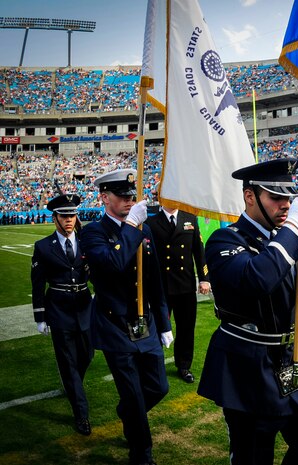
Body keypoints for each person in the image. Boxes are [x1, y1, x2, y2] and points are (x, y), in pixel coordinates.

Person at [197, 158, 298, 465]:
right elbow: (257, 279)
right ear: (250, 196)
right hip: (248, 364)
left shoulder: (284, 238)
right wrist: (295, 227)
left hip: (291, 358)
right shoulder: (225, 239)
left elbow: (297, 305)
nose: (285, 205)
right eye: (275, 197)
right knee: (254, 456)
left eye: (288, 197)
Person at [81, 168, 174, 465]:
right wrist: (131, 225)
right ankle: (142, 454)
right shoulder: (94, 232)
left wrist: (164, 323)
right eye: (122, 196)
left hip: (144, 324)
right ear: (104, 198)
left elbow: (155, 280)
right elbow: (112, 263)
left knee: (159, 386)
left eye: (131, 196)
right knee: (133, 395)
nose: (128, 201)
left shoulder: (142, 230)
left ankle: (127, 414)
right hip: (114, 324)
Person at [31, 193, 94, 436]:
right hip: (58, 309)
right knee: (68, 363)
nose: (69, 219)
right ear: (55, 218)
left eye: (72, 215)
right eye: (64, 215)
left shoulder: (87, 241)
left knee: (87, 354)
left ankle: (71, 381)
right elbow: (37, 284)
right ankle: (81, 414)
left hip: (85, 306)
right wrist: (40, 317)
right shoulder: (43, 247)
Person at [146, 205, 210, 383]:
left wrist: (204, 278)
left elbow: (199, 251)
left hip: (185, 284)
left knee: (186, 328)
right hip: (161, 286)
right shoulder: (151, 222)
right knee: (158, 327)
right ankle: (154, 365)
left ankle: (184, 366)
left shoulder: (189, 218)